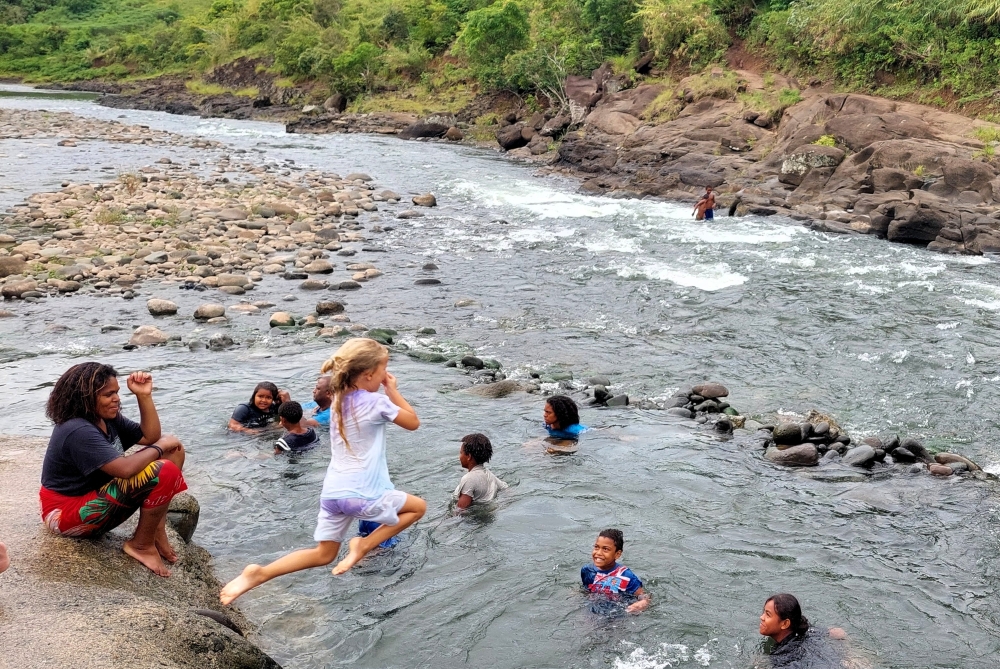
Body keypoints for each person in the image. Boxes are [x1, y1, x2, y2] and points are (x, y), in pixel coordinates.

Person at [220, 338, 427, 605]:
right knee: (418, 508)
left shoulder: (339, 398)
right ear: (368, 375)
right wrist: (392, 390)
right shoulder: (376, 401)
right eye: (382, 372)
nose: (385, 377)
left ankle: (259, 573)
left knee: (323, 554)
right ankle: (363, 545)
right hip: (363, 493)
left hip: (332, 494)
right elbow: (413, 422)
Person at [39, 362, 187, 577]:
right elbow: (126, 469)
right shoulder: (77, 429)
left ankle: (156, 528)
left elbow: (149, 436)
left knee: (174, 451)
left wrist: (143, 396)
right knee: (163, 469)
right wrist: (159, 447)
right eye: (109, 394)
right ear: (85, 398)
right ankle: (141, 545)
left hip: (94, 493)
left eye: (117, 392)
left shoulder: (105, 418)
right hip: (65, 513)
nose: (117, 399)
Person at [759, 594, 848, 667]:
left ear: (785, 624)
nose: (761, 617)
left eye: (768, 614)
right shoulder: (810, 631)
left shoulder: (781, 657)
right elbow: (840, 632)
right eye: (764, 612)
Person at [581, 528, 650, 614]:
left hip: (617, 614)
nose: (598, 553)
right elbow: (586, 590)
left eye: (605, 549)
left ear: (617, 554)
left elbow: (643, 596)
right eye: (596, 547)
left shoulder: (626, 575)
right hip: (594, 611)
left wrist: (642, 603)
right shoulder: (587, 570)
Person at [454, 433, 508, 510]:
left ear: (469, 456)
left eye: (461, 453)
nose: (459, 457)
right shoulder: (490, 475)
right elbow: (507, 490)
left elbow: (460, 511)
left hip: (472, 521)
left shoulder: (469, 479)